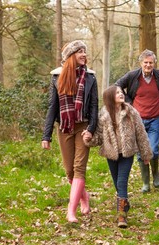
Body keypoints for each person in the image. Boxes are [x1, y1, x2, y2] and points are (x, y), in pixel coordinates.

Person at [42, 40, 99, 223]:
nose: (84, 54)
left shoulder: (90, 77)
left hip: (83, 127)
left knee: (79, 168)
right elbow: (53, 107)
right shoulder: (57, 78)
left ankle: (71, 211)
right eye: (80, 51)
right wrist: (46, 135)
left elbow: (94, 106)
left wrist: (91, 129)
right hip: (65, 127)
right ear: (70, 56)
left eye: (85, 51)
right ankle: (84, 198)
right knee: (69, 171)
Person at [82, 85, 153, 228]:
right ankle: (124, 202)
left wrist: (145, 154)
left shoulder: (131, 112)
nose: (121, 94)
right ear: (110, 97)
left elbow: (141, 134)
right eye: (117, 93)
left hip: (127, 153)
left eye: (121, 92)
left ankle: (122, 216)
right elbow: (99, 136)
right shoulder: (103, 115)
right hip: (111, 154)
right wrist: (88, 139)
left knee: (121, 181)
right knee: (117, 183)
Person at [115, 49, 159, 193]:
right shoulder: (133, 75)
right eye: (146, 62)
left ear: (154, 63)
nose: (148, 65)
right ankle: (146, 183)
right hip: (138, 120)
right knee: (141, 151)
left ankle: (156, 175)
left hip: (155, 118)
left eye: (151, 63)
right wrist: (128, 102)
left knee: (153, 149)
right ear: (141, 63)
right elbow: (117, 85)